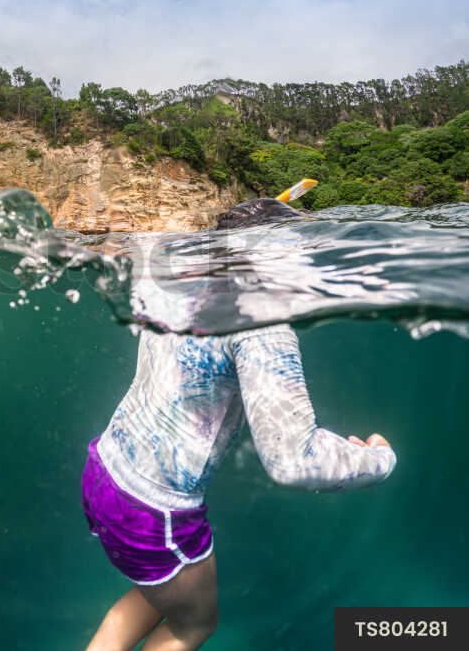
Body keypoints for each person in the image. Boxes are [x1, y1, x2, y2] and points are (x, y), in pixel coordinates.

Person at [81, 199, 396, 651]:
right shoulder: (260, 320)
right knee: (192, 627)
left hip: (103, 469)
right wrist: (378, 460)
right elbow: (293, 461)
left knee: (157, 596)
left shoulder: (177, 273)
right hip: (154, 513)